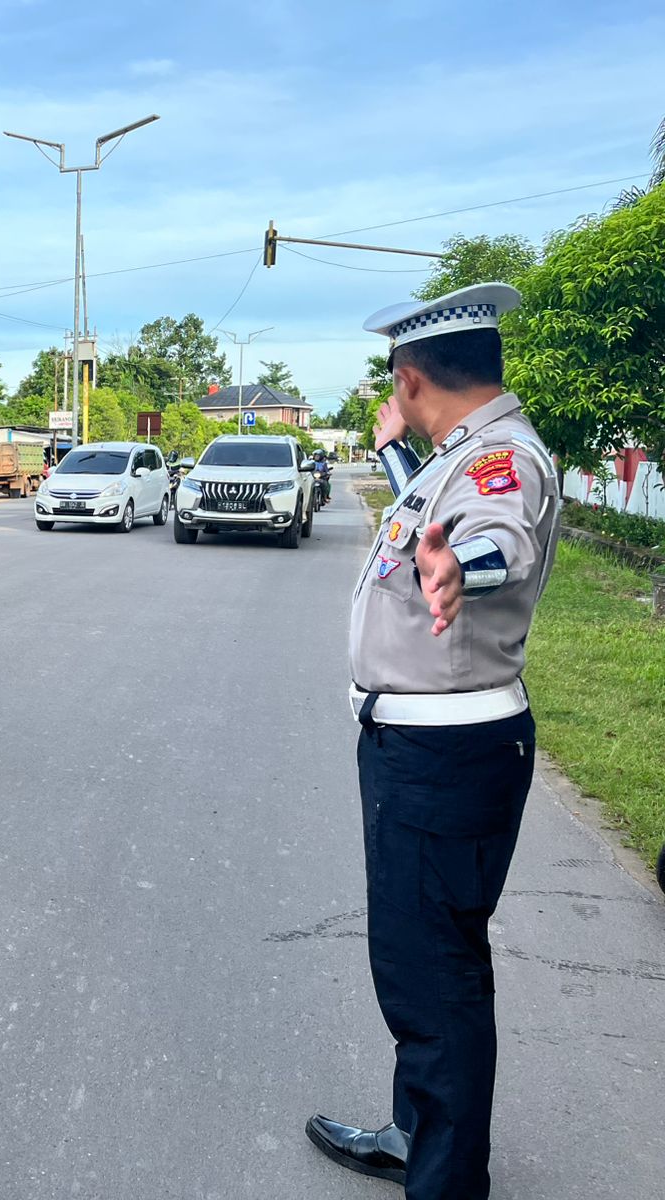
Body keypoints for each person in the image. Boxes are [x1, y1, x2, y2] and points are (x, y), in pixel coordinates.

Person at [305, 283, 560, 1200]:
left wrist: (465, 569)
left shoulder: (501, 464)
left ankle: (444, 1181)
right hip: (430, 753)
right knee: (431, 960)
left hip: (442, 762)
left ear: (410, 377)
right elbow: (436, 506)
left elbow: (495, 538)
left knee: (433, 984)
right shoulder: (465, 453)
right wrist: (396, 451)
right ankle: (419, 1131)